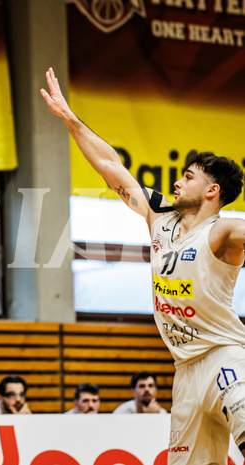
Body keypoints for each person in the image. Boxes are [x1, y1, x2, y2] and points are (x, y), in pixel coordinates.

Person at [42, 67, 245, 463]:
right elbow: (110, 165)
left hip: (225, 356)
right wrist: (70, 119)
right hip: (184, 371)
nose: (177, 183)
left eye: (187, 177)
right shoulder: (159, 215)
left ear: (211, 191)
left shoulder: (224, 234)